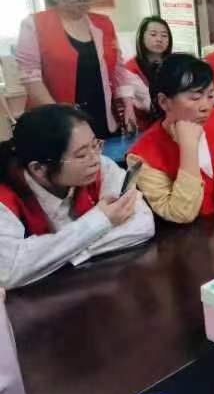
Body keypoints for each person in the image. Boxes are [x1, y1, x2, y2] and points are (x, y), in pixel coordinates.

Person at [0, 105, 154, 288]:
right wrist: (100, 221)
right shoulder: (6, 196)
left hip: (93, 285)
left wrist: (64, 252)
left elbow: (143, 223)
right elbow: (8, 270)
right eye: (81, 155)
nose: (95, 158)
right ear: (39, 169)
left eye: (95, 145)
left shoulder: (101, 167)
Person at [127, 54, 214, 224]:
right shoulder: (142, 156)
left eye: (210, 96)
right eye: (195, 98)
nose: (206, 107)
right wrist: (189, 148)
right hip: (195, 236)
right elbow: (181, 214)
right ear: (164, 102)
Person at [16, 0, 139, 138]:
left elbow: (118, 69)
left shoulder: (103, 23)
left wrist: (127, 104)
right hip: (53, 119)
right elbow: (31, 80)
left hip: (101, 112)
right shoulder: (34, 24)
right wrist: (60, 118)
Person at [125, 16, 173, 130]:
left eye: (164, 35)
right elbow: (149, 103)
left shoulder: (173, 63)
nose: (159, 39)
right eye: (153, 34)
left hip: (172, 120)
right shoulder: (130, 69)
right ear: (141, 37)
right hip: (144, 128)